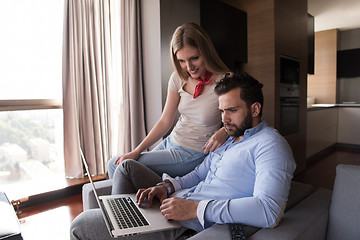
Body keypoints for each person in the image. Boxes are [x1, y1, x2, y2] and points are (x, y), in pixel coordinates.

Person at [70, 72, 297, 240]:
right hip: (177, 203)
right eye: (221, 111)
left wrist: (194, 209)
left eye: (232, 110)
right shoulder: (229, 139)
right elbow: (199, 174)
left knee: (80, 225)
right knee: (126, 167)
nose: (224, 119)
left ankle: (126, 230)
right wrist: (167, 187)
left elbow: (268, 211)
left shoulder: (270, 145)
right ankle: (126, 227)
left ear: (255, 109)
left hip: (188, 223)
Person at [107, 22, 230, 179]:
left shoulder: (226, 81)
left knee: (119, 165)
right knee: (117, 164)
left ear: (206, 51)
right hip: (170, 142)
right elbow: (165, 121)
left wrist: (225, 131)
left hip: (192, 152)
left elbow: (243, 118)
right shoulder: (178, 78)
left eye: (194, 58)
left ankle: (125, 201)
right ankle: (127, 202)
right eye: (181, 61)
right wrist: (137, 150)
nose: (189, 67)